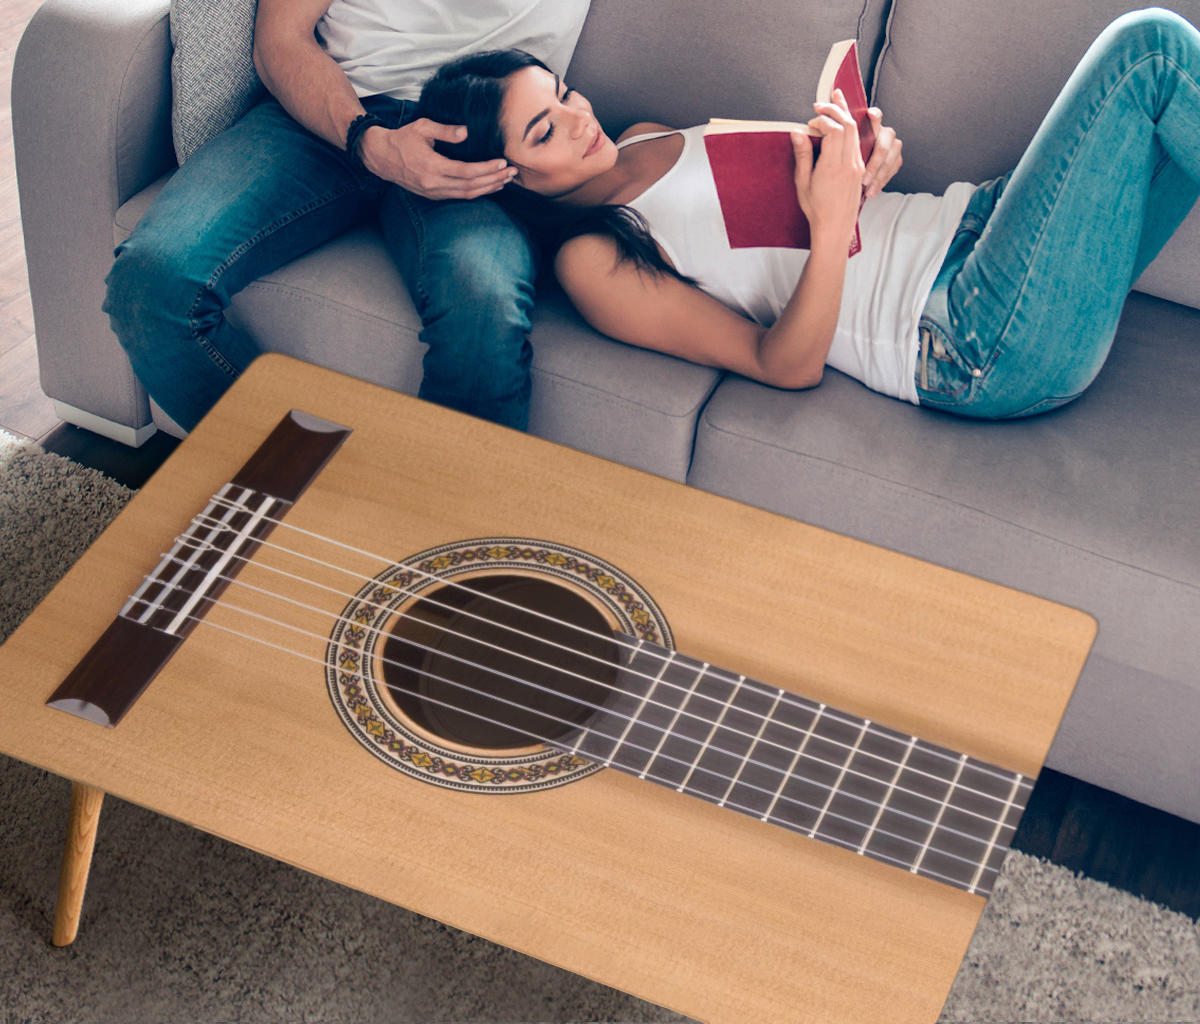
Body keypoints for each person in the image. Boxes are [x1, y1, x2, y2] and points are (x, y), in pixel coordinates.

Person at [416, 8, 1200, 420]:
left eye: (563, 94)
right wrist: (829, 226)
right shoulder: (591, 261)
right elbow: (781, 365)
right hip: (965, 336)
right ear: (505, 174)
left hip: (983, 225)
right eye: (544, 131)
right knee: (1150, 50)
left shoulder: (644, 134)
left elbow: (809, 198)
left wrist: (865, 162)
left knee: (1165, 100)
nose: (578, 119)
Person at [103, 0, 591, 433]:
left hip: (479, 144)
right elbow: (280, 40)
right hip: (330, 111)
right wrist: (365, 138)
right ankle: (288, 478)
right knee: (150, 284)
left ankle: (435, 510)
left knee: (482, 310)